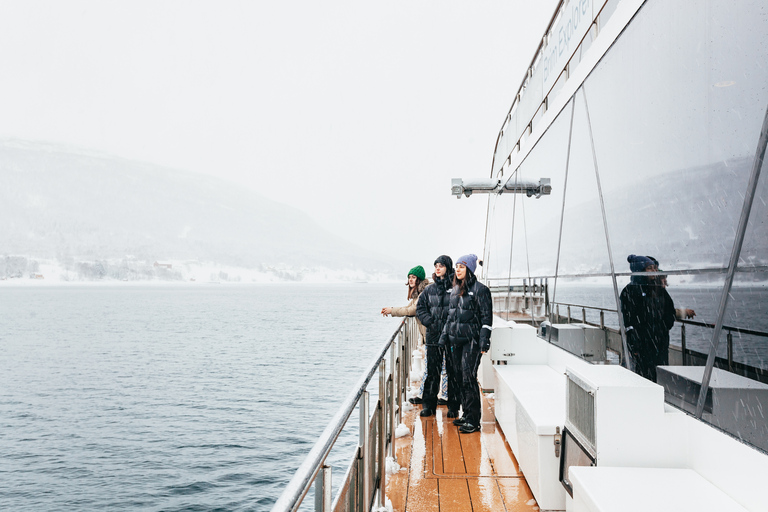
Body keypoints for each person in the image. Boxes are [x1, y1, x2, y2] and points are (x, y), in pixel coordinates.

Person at [439, 254, 493, 434]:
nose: (458, 269)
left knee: (468, 377)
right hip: (455, 341)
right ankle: (466, 413)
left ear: (469, 269)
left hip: (472, 341)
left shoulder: (481, 290)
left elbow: (487, 317)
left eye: (461, 266)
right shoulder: (455, 290)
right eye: (457, 266)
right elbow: (450, 317)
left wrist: (485, 339)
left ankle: (473, 420)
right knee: (458, 377)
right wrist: (444, 335)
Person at [620, 255, 695, 382]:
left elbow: (669, 312)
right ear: (640, 270)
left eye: (655, 268)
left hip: (659, 343)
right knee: (640, 377)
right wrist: (636, 342)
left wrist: (662, 328)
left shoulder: (658, 290)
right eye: (650, 268)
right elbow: (629, 320)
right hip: (641, 346)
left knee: (659, 376)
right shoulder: (630, 291)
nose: (654, 271)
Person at [415, 255, 456, 418]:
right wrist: (430, 322)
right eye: (436, 266)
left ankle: (453, 406)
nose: (437, 268)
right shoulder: (429, 290)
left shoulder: (457, 287)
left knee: (453, 372)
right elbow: (420, 309)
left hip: (452, 336)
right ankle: (428, 405)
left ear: (448, 267)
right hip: (433, 336)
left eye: (441, 265)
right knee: (432, 372)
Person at [381, 266, 430, 343]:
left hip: (430, 335)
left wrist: (392, 310)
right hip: (428, 334)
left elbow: (411, 310)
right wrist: (391, 309)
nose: (410, 280)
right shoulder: (418, 294)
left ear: (419, 279)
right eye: (409, 277)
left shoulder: (423, 293)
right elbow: (408, 307)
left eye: (413, 277)